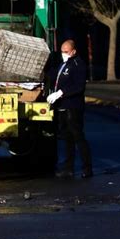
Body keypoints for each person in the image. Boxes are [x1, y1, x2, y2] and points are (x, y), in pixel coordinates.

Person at [47, 39, 93, 179]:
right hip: (62, 107)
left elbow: (78, 87)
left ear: (73, 51)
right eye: (62, 51)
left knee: (78, 137)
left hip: (73, 108)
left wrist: (61, 93)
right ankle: (68, 168)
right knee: (67, 140)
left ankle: (87, 168)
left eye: (66, 51)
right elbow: (53, 75)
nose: (63, 54)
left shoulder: (78, 65)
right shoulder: (63, 64)